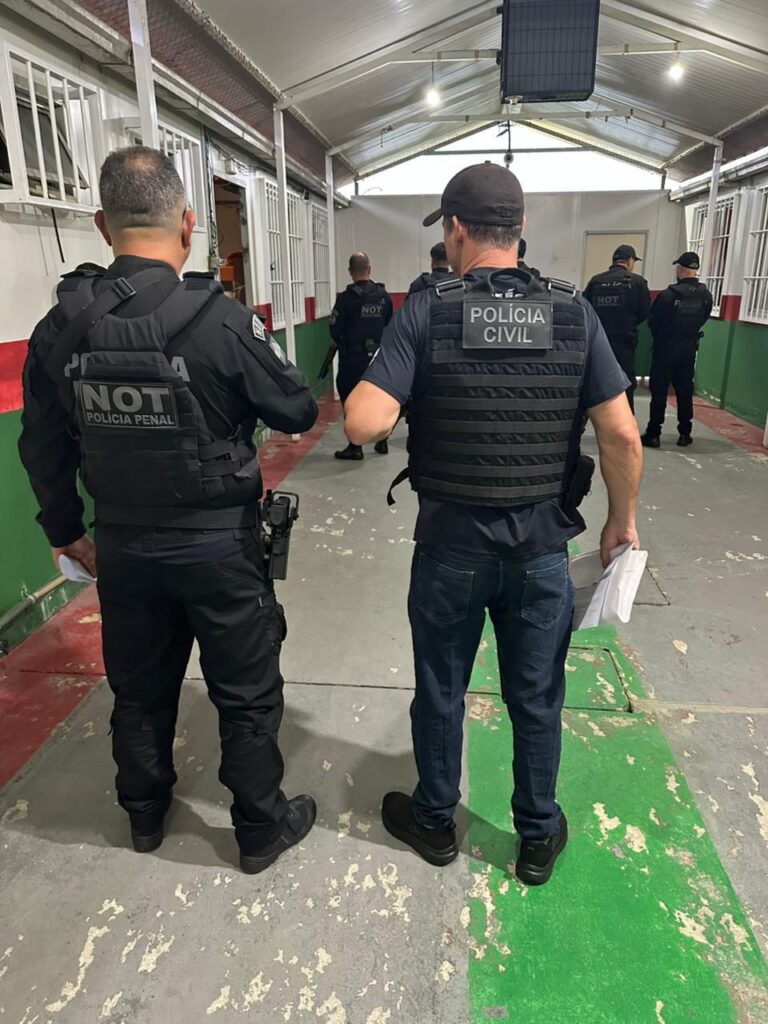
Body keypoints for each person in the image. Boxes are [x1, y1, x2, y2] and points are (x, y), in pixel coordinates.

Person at [18, 146, 318, 874]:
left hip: (123, 546)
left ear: (102, 224)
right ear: (188, 223)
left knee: (139, 687)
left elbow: (41, 445)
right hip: (220, 549)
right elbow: (298, 408)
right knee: (246, 693)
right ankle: (259, 828)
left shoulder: (60, 327)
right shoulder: (221, 319)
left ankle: (144, 814)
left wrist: (66, 533)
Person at [344, 163, 642, 886]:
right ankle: (536, 835)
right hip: (541, 551)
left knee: (440, 687)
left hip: (450, 548)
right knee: (536, 696)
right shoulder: (573, 312)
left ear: (454, 230)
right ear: (521, 228)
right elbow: (621, 436)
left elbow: (362, 423)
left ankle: (435, 821)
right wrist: (620, 522)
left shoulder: (427, 310)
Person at [641, 252, 713, 449]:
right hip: (688, 348)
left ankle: (654, 433)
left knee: (659, 391)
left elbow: (653, 321)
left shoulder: (668, 295)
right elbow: (703, 318)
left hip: (665, 347)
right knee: (685, 391)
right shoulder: (706, 296)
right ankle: (685, 433)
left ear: (680, 269)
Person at [329, 252, 393, 460]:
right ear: (369, 269)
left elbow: (334, 330)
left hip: (352, 359)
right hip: (377, 357)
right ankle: (382, 440)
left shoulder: (345, 299)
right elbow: (389, 324)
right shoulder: (383, 296)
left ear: (350, 272)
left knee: (350, 397)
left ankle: (355, 446)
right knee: (379, 397)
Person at [584, 244, 651, 413]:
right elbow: (644, 312)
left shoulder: (596, 281)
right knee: (625, 383)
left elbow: (585, 309)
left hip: (598, 342)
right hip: (625, 342)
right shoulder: (638, 282)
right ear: (629, 261)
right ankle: (625, 421)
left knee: (593, 382)